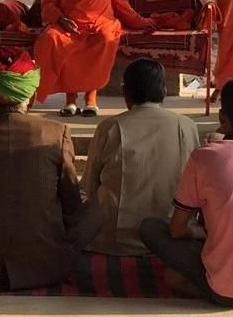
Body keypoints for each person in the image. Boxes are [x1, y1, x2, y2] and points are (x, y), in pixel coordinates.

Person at [0, 47, 102, 291]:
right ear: (32, 91)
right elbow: (71, 204)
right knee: (98, 208)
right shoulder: (56, 133)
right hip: (47, 266)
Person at [139, 79, 233, 308]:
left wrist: (200, 233)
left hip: (226, 291)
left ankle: (209, 285)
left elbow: (177, 228)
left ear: (222, 117)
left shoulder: (204, 158)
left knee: (151, 229)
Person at [33, 0, 156, 117]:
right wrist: (61, 19)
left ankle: (91, 100)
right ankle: (70, 101)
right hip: (68, 23)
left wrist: (139, 21)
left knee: (106, 39)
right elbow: (48, 2)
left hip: (101, 22)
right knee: (53, 40)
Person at [83, 58, 200, 255]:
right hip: (170, 237)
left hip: (114, 240)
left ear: (125, 92)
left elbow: (89, 185)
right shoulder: (186, 126)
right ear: (163, 91)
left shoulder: (110, 127)